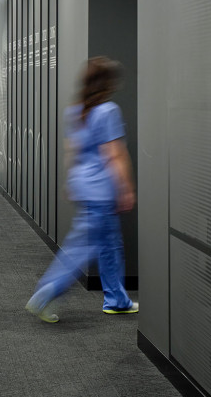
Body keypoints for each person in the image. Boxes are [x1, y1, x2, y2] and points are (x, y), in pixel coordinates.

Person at [26, 56, 137, 322]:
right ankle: (46, 291)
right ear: (106, 83)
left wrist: (71, 181)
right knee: (82, 247)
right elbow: (114, 154)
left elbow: (72, 150)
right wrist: (126, 189)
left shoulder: (76, 111)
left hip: (85, 186)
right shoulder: (108, 111)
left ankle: (117, 299)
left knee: (110, 246)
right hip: (102, 190)